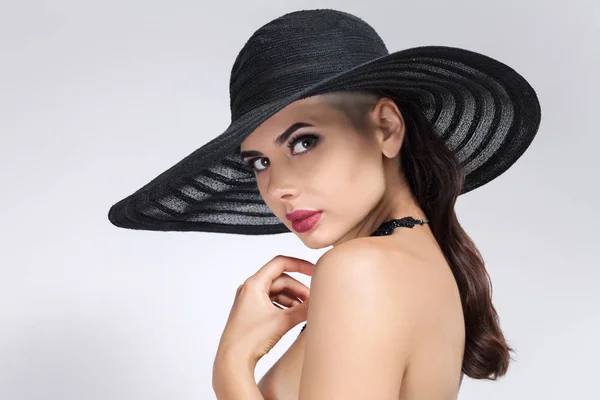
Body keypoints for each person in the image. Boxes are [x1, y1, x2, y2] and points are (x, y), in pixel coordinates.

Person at [108, 9, 541, 400]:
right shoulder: (423, 262)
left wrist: (232, 366)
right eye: (260, 162)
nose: (278, 188)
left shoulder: (360, 269)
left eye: (303, 142)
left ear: (387, 128)